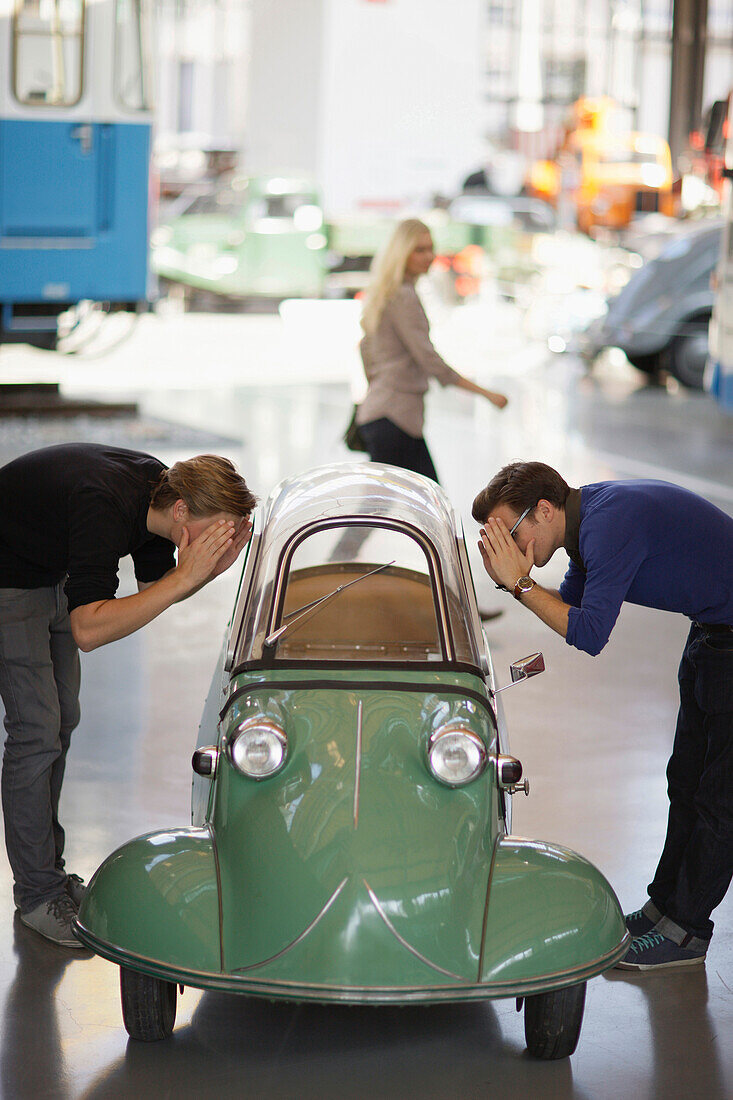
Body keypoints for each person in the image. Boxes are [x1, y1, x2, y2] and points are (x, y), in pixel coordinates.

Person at [472, 461, 733, 972]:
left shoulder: (609, 525)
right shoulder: (585, 525)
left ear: (544, 510)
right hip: (712, 632)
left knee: (718, 799)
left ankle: (686, 932)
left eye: (511, 531)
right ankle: (663, 909)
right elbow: (566, 604)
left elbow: (588, 633)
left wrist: (520, 584)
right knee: (684, 779)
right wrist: (513, 584)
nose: (509, 543)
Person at [0, 443, 256, 947]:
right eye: (215, 532)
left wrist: (205, 571)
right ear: (182, 511)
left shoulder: (161, 497)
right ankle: (35, 894)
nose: (215, 543)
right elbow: (90, 632)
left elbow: (151, 591)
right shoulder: (106, 505)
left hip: (53, 571)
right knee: (36, 732)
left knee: (61, 720)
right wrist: (188, 574)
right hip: (8, 578)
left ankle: (48, 873)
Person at [355, 218, 508, 484]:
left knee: (391, 505)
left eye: (430, 248)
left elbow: (365, 350)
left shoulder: (386, 293)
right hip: (394, 418)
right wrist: (486, 394)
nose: (429, 257)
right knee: (428, 504)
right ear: (402, 253)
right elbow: (429, 359)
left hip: (383, 415)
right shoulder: (403, 296)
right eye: (419, 250)